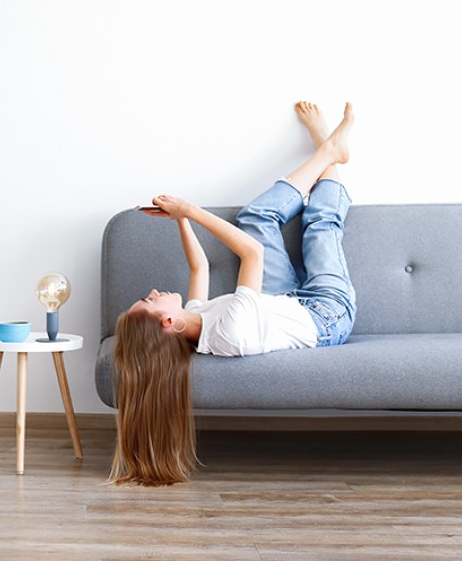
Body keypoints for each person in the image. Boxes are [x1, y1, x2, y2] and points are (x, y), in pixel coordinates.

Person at [109, 101, 357, 486]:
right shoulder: (228, 332)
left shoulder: (195, 320)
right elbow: (252, 253)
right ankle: (325, 146)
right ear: (168, 321)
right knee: (320, 225)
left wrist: (181, 220)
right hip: (326, 315)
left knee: (255, 218)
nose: (154, 291)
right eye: (150, 300)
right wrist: (192, 209)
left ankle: (328, 150)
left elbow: (199, 267)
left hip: (280, 302)